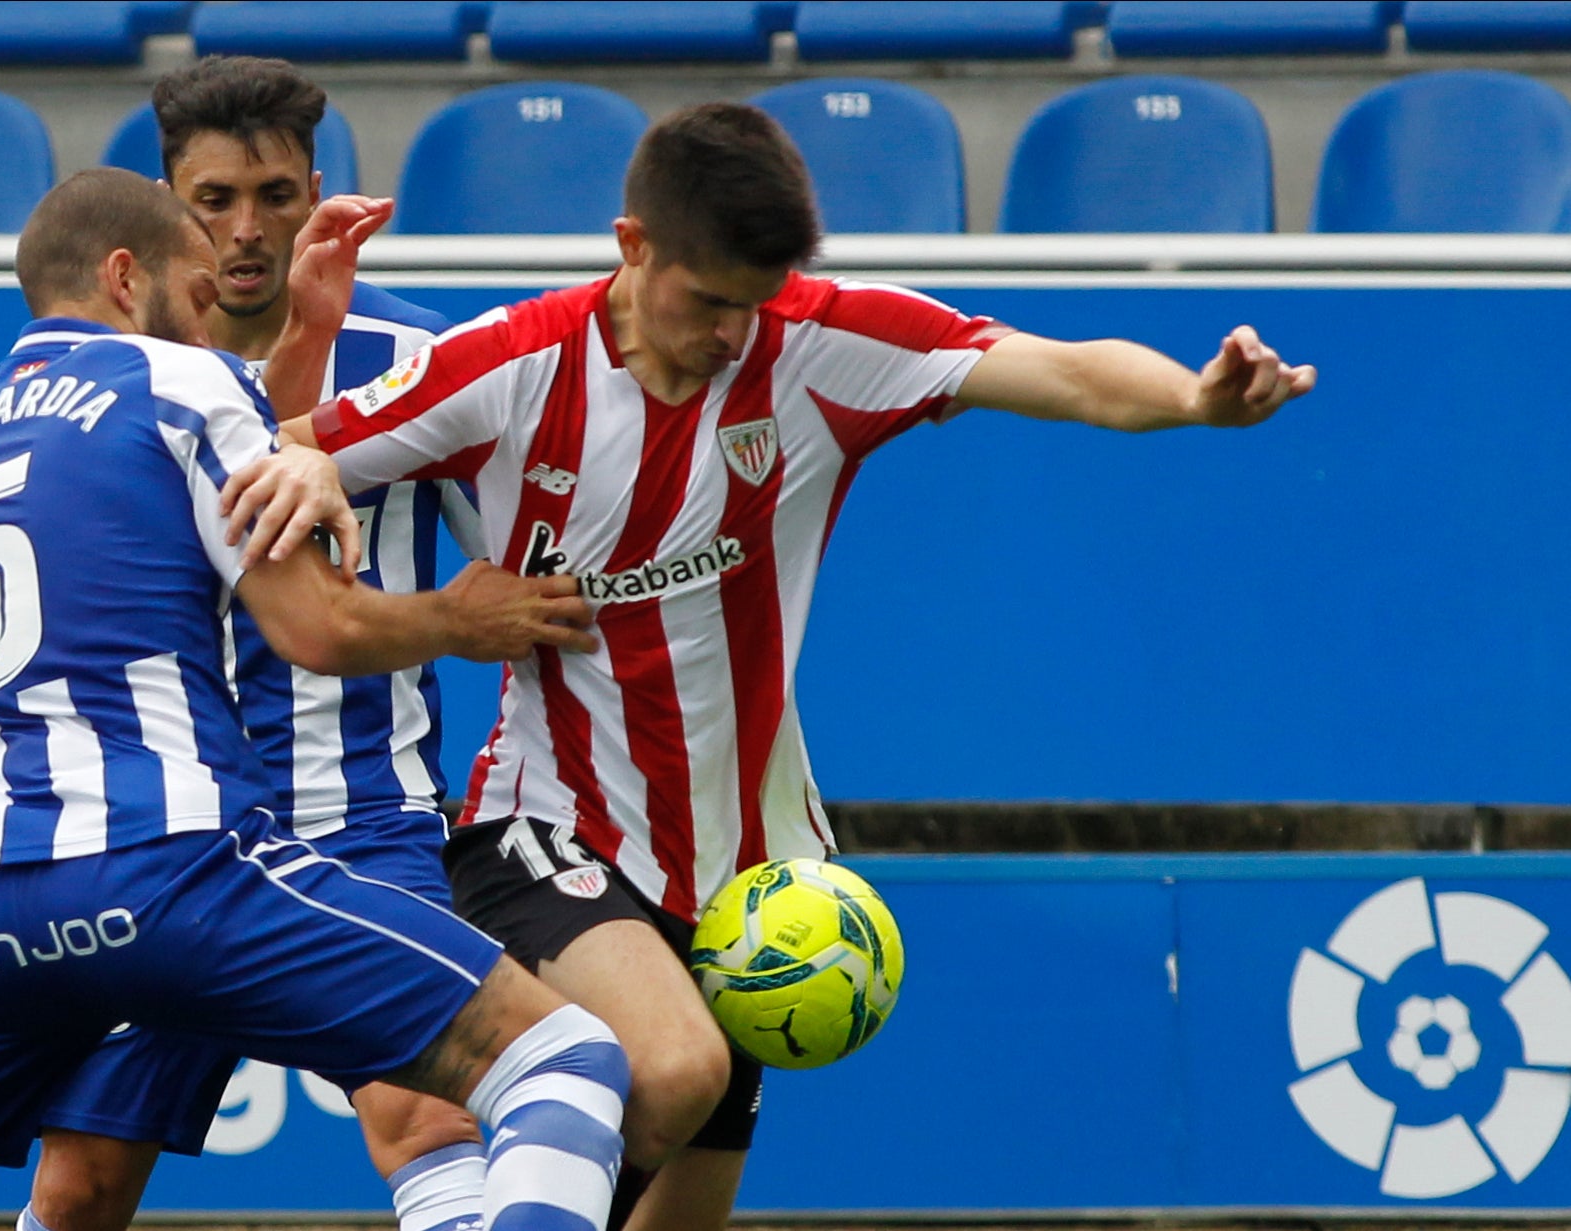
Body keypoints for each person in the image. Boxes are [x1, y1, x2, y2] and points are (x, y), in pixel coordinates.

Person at [226, 102, 1318, 1231]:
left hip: (755, 881)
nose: (731, 337)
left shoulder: (819, 343)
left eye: (753, 307)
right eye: (707, 303)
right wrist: (314, 480)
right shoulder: (512, 365)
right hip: (546, 823)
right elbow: (278, 453)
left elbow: (1062, 372)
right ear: (632, 245)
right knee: (675, 1066)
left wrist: (1194, 400)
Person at [0, 166, 630, 1231]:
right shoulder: (179, 384)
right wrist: (457, 618)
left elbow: (180, 473)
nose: (213, 312)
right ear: (128, 278)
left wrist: (302, 336)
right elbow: (317, 631)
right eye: (198, 287)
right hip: (167, 868)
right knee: (564, 1060)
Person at [28, 58, 497, 1231]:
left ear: (318, 193)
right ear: (161, 202)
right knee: (79, 1184)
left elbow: (508, 571)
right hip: (170, 827)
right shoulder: (117, 373)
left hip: (361, 812)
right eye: (214, 200)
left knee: (427, 1115)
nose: (247, 232)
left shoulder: (417, 359)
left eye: (277, 197)